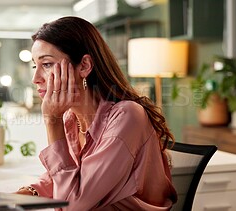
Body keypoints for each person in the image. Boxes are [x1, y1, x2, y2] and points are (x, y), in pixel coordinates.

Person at [15, 16, 177, 210]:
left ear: (84, 66)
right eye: (35, 65)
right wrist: (26, 193)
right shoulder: (70, 118)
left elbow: (73, 206)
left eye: (47, 64)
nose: (35, 78)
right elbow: (68, 175)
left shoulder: (127, 116)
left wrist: (52, 121)